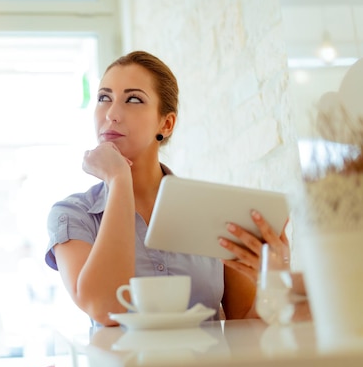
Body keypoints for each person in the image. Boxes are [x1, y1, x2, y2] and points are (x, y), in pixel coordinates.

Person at [43, 50, 292, 326]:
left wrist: (276, 280)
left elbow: (244, 323)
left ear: (167, 123)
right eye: (104, 97)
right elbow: (103, 308)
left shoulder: (215, 212)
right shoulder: (73, 215)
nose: (112, 114)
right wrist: (119, 180)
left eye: (133, 99)